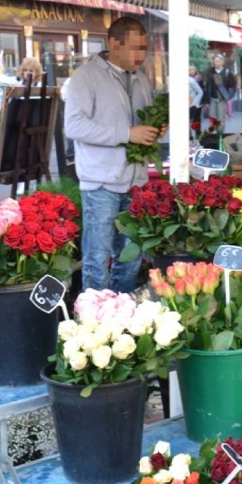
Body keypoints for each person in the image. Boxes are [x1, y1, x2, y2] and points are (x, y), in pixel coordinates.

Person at [63, 16, 165, 293]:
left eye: (144, 48)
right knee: (97, 258)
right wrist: (127, 134)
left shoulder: (141, 78)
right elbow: (73, 126)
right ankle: (92, 321)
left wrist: (156, 129)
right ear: (113, 43)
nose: (141, 55)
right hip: (100, 183)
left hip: (136, 181)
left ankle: (122, 314)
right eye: (135, 48)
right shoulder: (86, 77)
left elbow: (140, 122)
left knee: (130, 258)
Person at [203, 54, 235, 125]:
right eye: (214, 61)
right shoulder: (210, 72)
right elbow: (207, 86)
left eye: (217, 61)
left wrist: (228, 97)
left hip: (222, 98)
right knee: (212, 119)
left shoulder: (227, 72)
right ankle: (213, 134)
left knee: (221, 119)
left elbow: (233, 87)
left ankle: (220, 135)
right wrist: (206, 100)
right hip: (212, 98)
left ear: (222, 62)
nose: (215, 63)